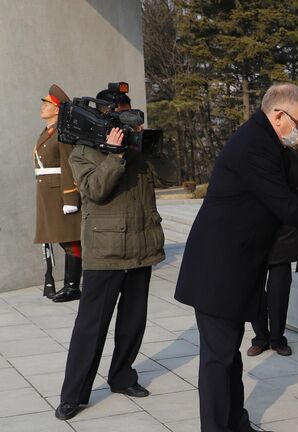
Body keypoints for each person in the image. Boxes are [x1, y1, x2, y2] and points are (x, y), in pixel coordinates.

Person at [174, 83, 298, 432]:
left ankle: (237, 423)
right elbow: (284, 204)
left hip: (236, 264)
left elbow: (296, 183)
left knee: (229, 355)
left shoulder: (268, 140)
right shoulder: (254, 145)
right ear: (278, 115)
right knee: (217, 359)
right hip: (218, 267)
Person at [54, 124, 178, 420]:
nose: (130, 129)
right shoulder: (83, 153)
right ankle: (73, 394)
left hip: (140, 249)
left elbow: (170, 176)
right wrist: (114, 155)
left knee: (132, 324)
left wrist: (150, 148)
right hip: (104, 252)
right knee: (90, 327)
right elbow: (94, 190)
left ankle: (122, 376)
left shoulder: (139, 151)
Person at [247, 140, 298, 358]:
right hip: (254, 221)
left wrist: (295, 147)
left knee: (279, 286)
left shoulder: (291, 145)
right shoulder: (251, 142)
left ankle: (277, 338)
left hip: (283, 222)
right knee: (254, 285)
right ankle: (260, 337)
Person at [34, 84, 83, 302]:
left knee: (69, 239)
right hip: (48, 193)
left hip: (60, 192)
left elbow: (68, 164)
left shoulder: (62, 132)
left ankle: (73, 286)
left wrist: (70, 196)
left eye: (47, 103)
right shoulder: (48, 131)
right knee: (62, 239)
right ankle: (70, 284)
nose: (42, 106)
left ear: (57, 108)